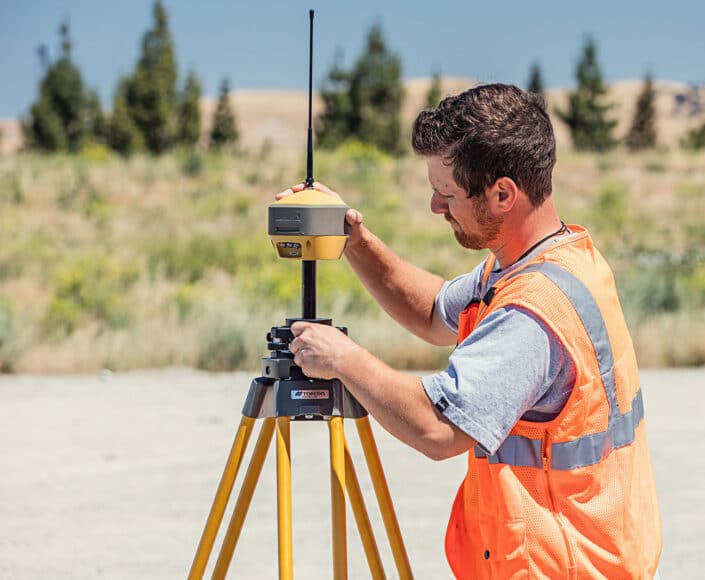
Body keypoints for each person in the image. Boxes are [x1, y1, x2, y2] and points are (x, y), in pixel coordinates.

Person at [277, 83, 662, 579]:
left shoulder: (532, 313)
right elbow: (435, 311)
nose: (436, 208)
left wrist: (342, 359)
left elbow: (438, 429)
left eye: (446, 194)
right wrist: (353, 240)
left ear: (503, 193)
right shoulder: (545, 261)